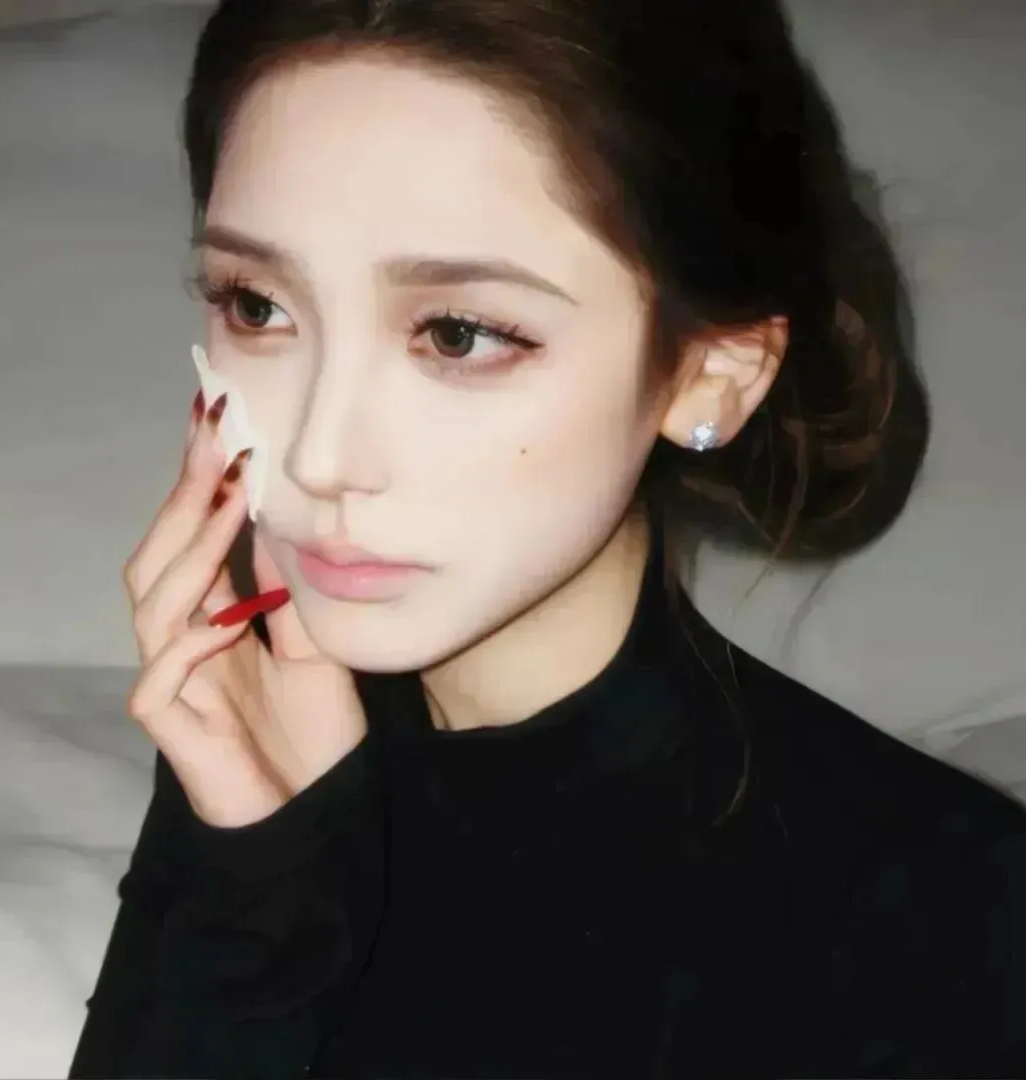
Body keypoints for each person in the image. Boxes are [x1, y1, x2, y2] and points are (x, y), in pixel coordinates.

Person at [70, 0, 1026, 1076]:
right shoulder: (258, 739)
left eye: (458, 334)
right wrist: (254, 889)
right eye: (255, 306)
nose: (318, 456)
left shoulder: (947, 909)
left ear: (709, 375)